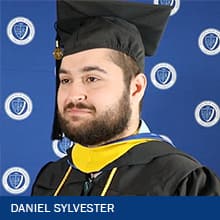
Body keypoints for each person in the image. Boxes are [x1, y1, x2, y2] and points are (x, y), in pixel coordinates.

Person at [31, 0, 220, 196]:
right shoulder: (52, 178)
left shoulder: (183, 182)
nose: (74, 94)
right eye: (66, 80)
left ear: (136, 88)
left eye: (92, 78)